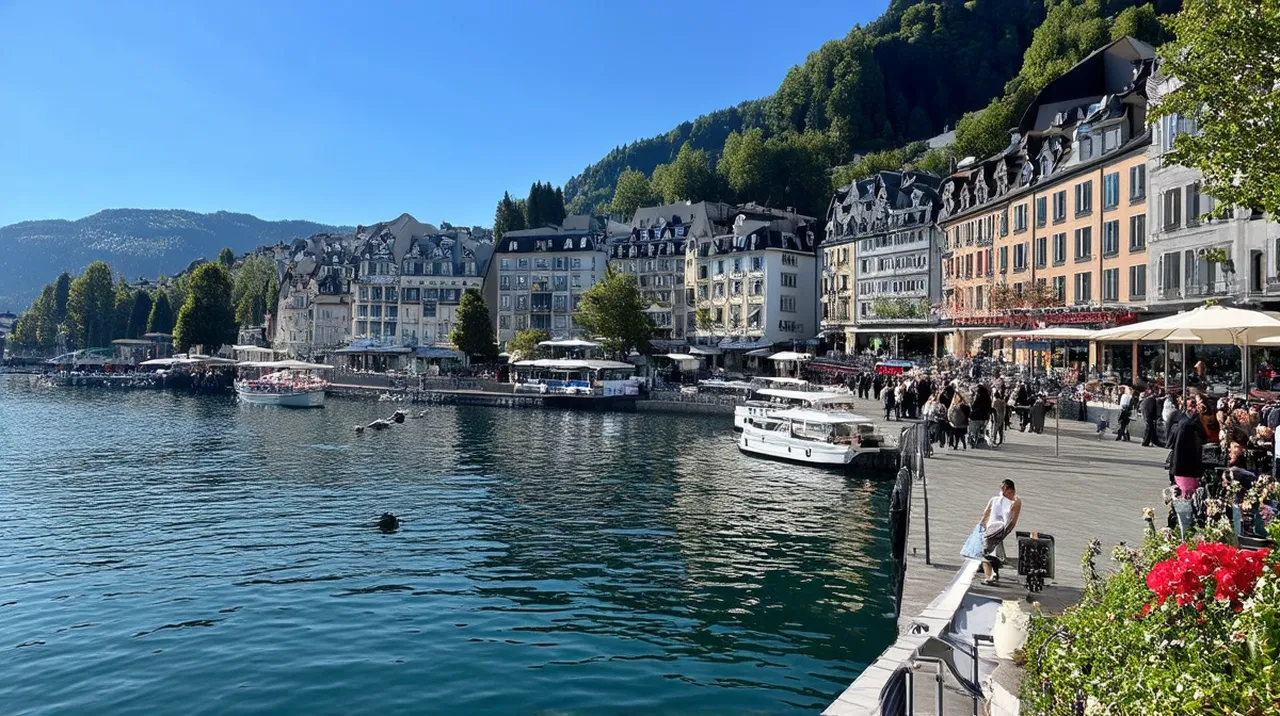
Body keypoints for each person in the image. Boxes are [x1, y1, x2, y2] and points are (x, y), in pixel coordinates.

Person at [978, 479, 1022, 585]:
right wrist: (981, 526)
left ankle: (991, 575)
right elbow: (986, 513)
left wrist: (1006, 531)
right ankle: (990, 571)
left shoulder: (1014, 502)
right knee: (990, 550)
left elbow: (1012, 520)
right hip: (993, 528)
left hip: (998, 529)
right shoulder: (995, 500)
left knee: (988, 552)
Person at [1168, 396, 1207, 496]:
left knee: (1182, 479)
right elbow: (1203, 435)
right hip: (1189, 454)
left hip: (1180, 455)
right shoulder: (1193, 421)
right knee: (1188, 481)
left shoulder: (1181, 418)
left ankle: (1182, 493)